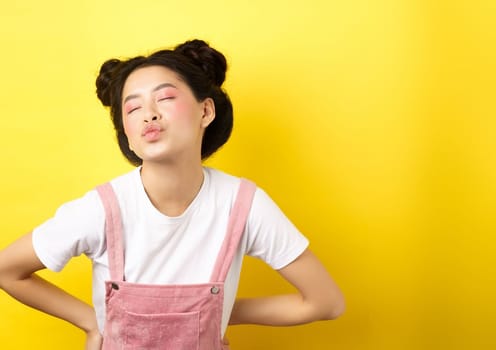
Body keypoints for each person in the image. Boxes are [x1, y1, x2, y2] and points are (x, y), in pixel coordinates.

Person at [0, 39, 344, 350]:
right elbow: (6, 269)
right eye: (132, 108)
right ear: (128, 135)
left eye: (164, 98)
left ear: (205, 111)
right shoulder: (103, 209)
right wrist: (92, 322)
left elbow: (326, 302)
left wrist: (219, 311)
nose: (149, 113)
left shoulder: (244, 205)